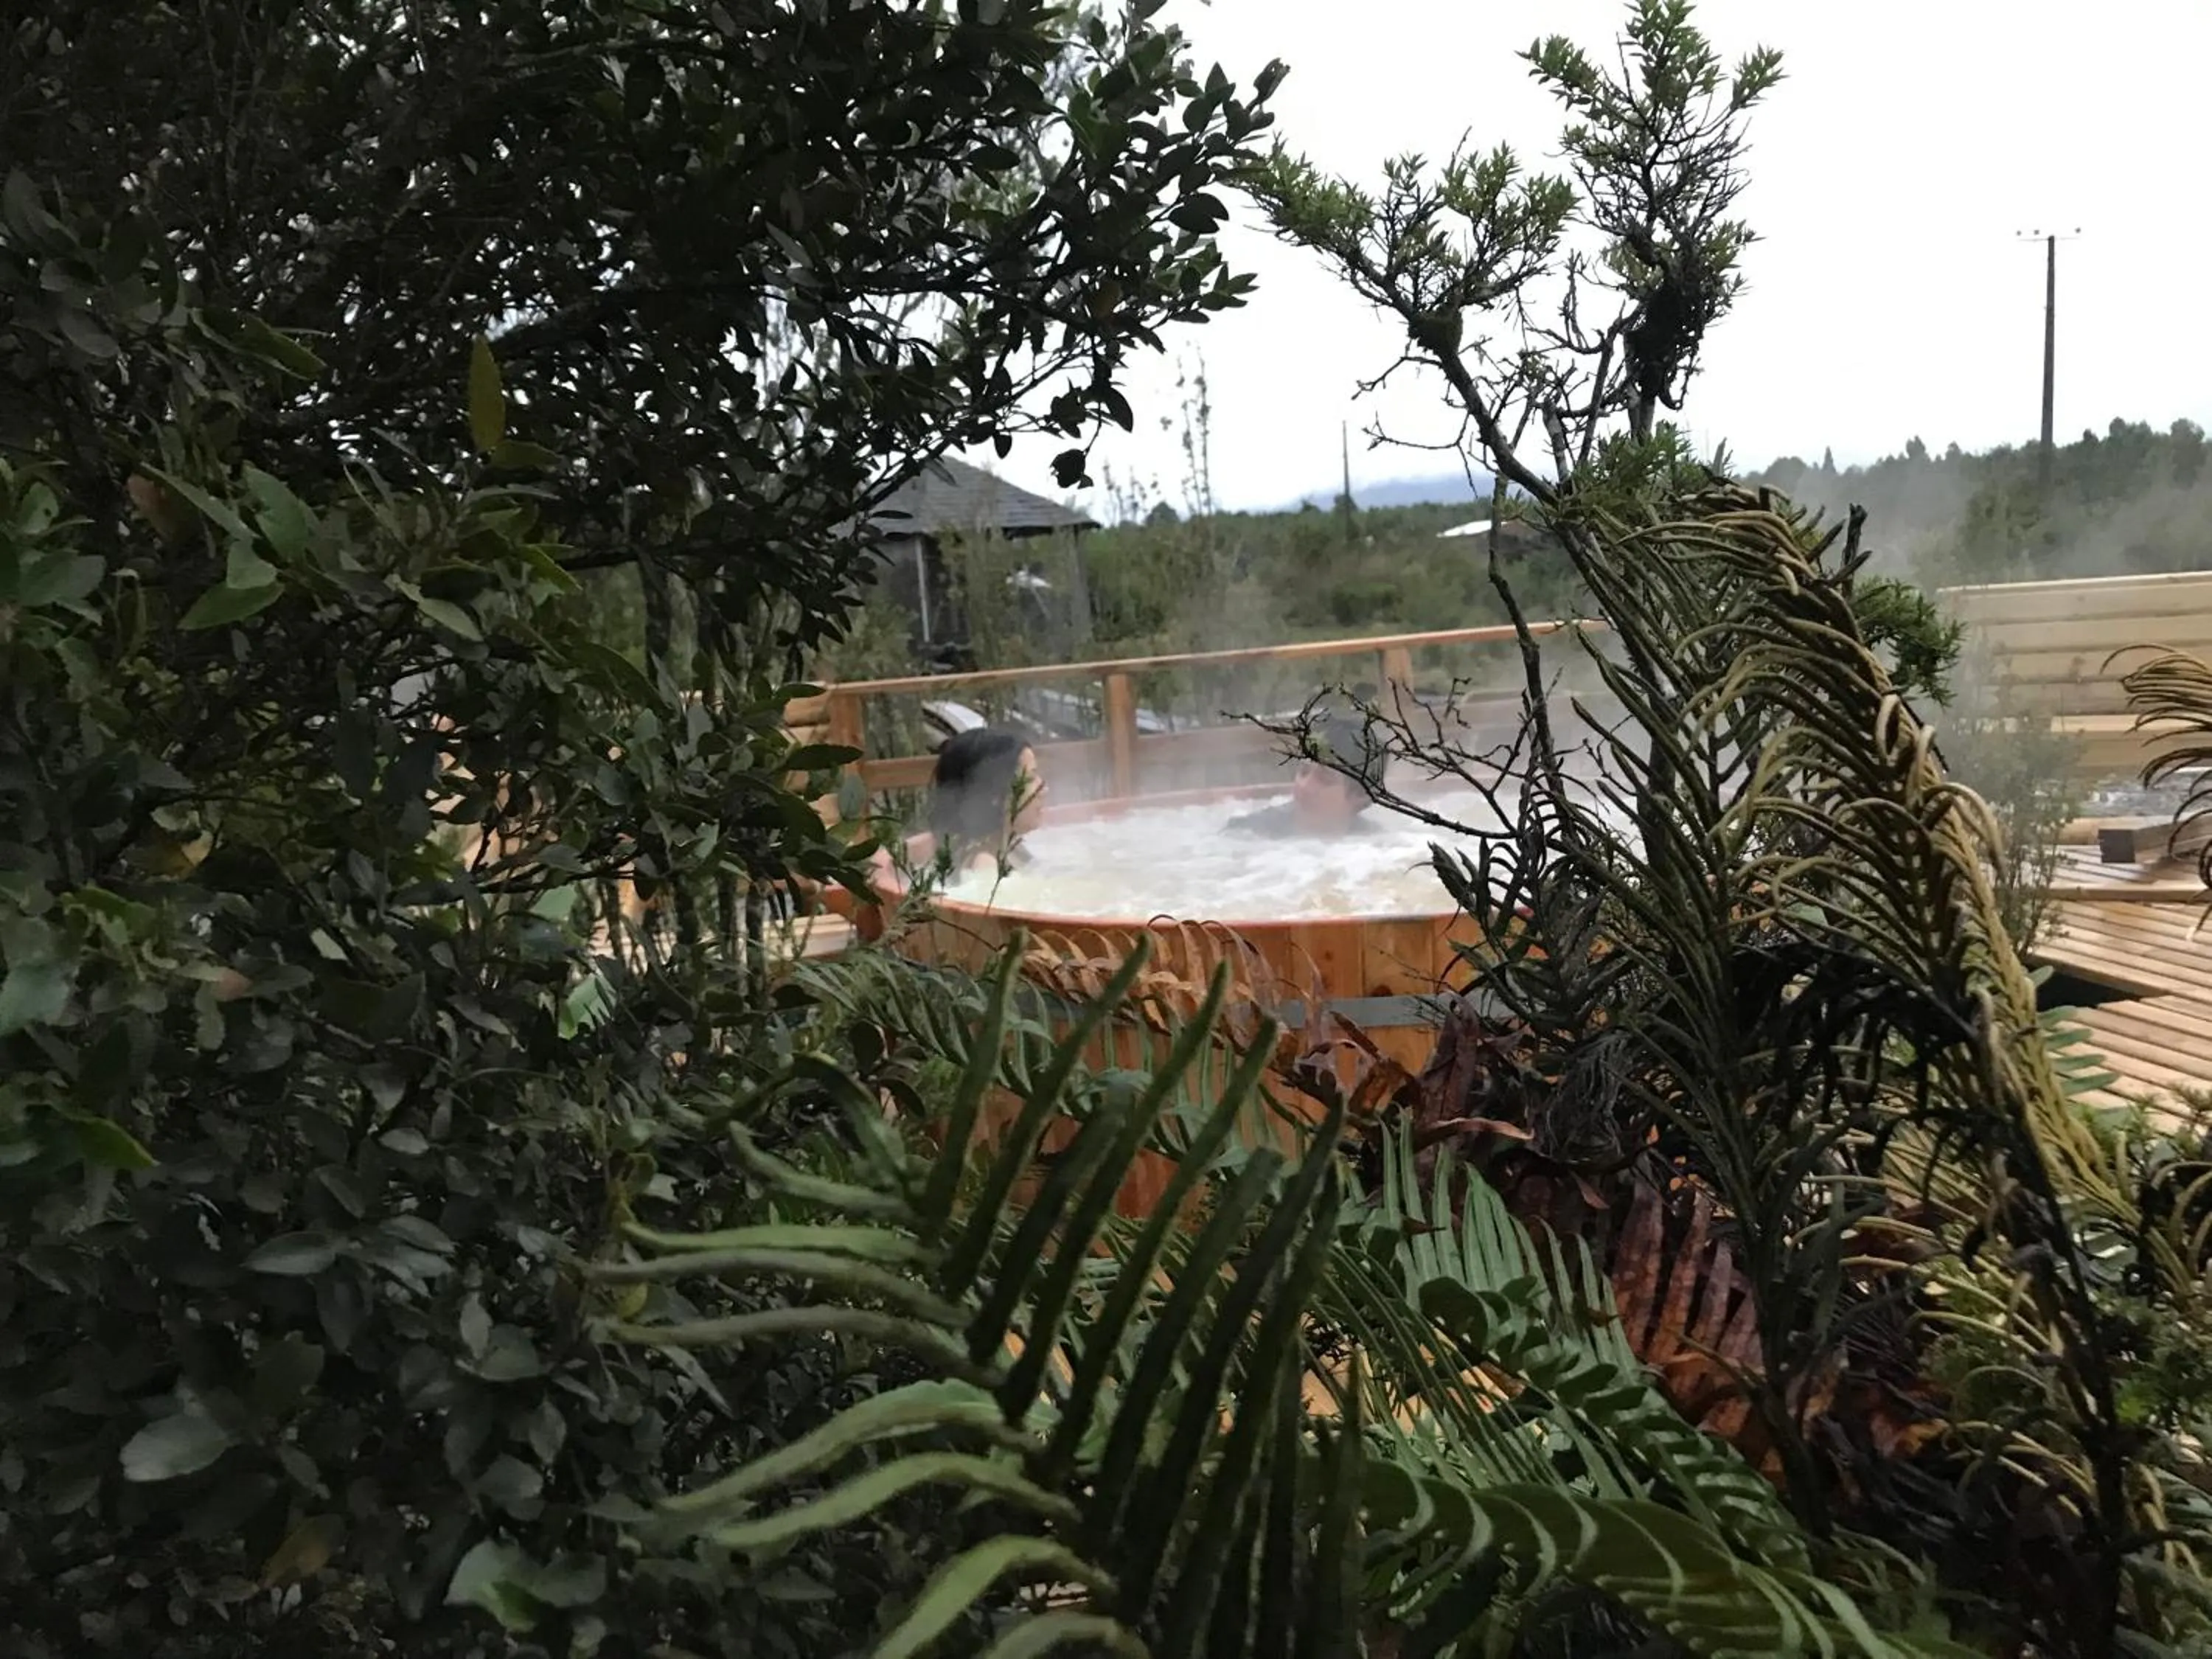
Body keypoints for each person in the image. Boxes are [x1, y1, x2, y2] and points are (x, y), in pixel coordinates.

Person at [821, 726, 1046, 937]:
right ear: (993, 795)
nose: (1043, 787)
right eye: (1031, 777)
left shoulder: (999, 849)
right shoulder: (985, 864)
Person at [1225, 712, 1385, 839]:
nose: (1305, 786)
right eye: (1303, 771)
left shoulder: (1376, 845)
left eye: (1324, 779)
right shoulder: (1248, 834)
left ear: (1360, 796)